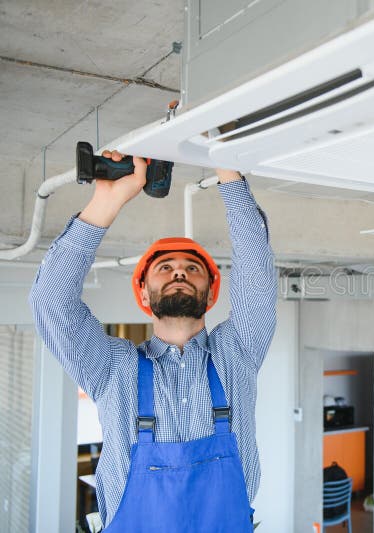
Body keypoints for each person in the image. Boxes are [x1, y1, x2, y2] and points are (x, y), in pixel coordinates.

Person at [29, 151, 277, 532]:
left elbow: (256, 272)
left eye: (192, 268)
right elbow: (51, 302)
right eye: (165, 268)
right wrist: (106, 202)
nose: (179, 272)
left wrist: (226, 164)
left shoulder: (237, 353)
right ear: (144, 295)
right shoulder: (113, 369)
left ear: (212, 293)